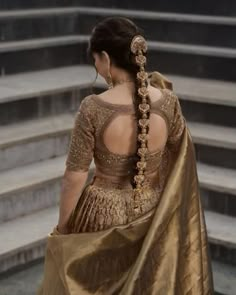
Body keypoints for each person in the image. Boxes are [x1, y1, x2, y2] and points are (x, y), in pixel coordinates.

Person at [37, 17, 214, 294]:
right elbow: (179, 156)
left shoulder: (93, 107)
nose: (96, 67)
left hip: (101, 216)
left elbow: (74, 177)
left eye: (95, 60)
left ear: (106, 58)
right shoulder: (168, 101)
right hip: (154, 211)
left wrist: (63, 230)